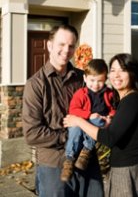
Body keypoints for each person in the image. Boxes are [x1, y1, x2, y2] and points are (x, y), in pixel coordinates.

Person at [22, 24, 104, 197]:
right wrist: (71, 137)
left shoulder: (83, 79)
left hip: (86, 163)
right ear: (49, 45)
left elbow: (101, 108)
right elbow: (32, 133)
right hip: (53, 166)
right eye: (61, 44)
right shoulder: (35, 85)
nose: (66, 50)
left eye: (71, 46)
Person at [64, 53, 138, 197]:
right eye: (113, 70)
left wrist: (78, 121)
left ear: (132, 73)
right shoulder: (123, 100)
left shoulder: (131, 101)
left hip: (128, 171)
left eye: (122, 70)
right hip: (125, 168)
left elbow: (109, 138)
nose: (116, 75)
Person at [60, 59, 116, 182]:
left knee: (99, 122)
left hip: (97, 123)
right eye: (92, 80)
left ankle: (86, 150)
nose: (95, 84)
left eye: (100, 81)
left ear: (105, 79)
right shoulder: (81, 93)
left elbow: (113, 109)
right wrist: (89, 115)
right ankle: (69, 158)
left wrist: (110, 117)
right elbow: (73, 110)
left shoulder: (109, 94)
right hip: (81, 122)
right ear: (85, 78)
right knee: (74, 130)